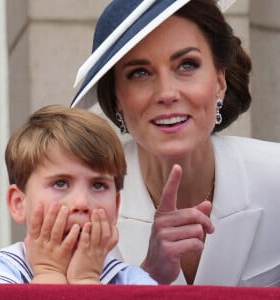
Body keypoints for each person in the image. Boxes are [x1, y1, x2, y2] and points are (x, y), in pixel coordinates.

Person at [71, 0, 280, 287]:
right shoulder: (78, 202)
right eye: (140, 73)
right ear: (117, 98)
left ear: (220, 82)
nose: (167, 93)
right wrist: (145, 279)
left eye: (187, 65)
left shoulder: (275, 177)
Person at [0, 105, 157, 285]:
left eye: (98, 185)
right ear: (19, 203)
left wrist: (86, 279)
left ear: (116, 205)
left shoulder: (132, 281)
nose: (81, 202)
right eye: (60, 183)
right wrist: (49, 272)